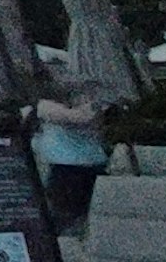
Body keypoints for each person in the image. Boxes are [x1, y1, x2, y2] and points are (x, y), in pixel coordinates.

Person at [34, 83, 110, 231]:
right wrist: (93, 108)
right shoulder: (46, 106)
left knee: (94, 216)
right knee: (66, 217)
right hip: (65, 168)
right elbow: (79, 118)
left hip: (92, 164)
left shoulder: (91, 102)